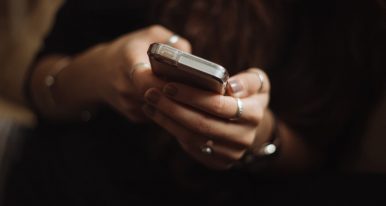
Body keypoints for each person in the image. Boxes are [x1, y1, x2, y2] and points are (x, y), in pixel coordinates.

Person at [4, 0, 386, 205]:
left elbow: (324, 159)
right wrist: (102, 70)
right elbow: (40, 89)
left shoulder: (355, 19)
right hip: (72, 185)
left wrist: (260, 136)